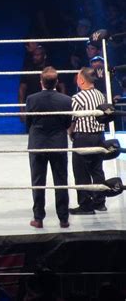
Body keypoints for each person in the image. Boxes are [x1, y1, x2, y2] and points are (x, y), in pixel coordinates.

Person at [26, 67, 71, 228]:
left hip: (38, 144)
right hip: (58, 144)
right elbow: (67, 123)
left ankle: (38, 218)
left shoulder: (32, 99)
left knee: (38, 182)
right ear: (57, 82)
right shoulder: (66, 100)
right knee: (61, 181)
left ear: (41, 82)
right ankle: (64, 219)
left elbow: (28, 122)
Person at [69, 67, 107, 215]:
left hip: (83, 137)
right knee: (97, 169)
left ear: (82, 80)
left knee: (81, 172)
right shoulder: (100, 95)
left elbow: (72, 119)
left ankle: (86, 205)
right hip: (99, 136)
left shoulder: (77, 97)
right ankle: (100, 202)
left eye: (78, 77)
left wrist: (71, 133)